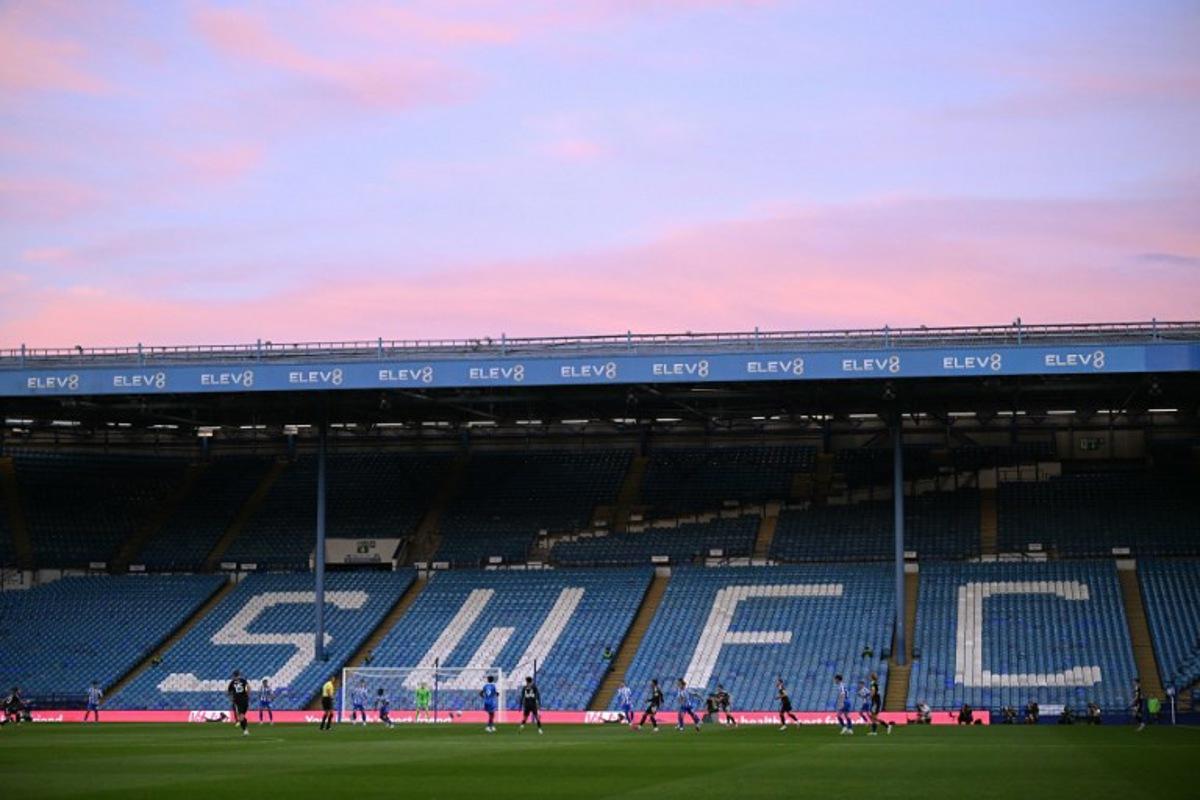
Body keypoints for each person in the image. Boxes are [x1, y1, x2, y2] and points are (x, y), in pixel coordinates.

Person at [227, 670, 250, 737]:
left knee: (240, 717)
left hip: (238, 701)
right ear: (239, 675)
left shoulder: (232, 682)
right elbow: (248, 687)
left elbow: (229, 692)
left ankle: (245, 730)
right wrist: (248, 695)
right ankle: (245, 730)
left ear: (234, 675)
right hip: (245, 701)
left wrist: (231, 698)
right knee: (241, 716)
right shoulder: (243, 680)